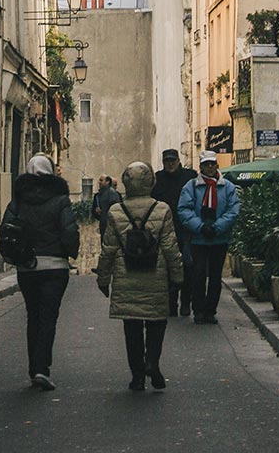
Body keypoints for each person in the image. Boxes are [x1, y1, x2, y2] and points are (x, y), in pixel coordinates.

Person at [97, 161, 183, 392]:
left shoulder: (116, 211)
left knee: (132, 326)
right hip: (156, 273)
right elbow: (170, 247)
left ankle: (137, 376)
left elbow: (109, 249)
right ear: (150, 182)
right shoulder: (162, 209)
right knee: (157, 322)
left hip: (127, 274)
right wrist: (177, 276)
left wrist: (103, 278)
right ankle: (152, 362)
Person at [1, 153, 79, 390]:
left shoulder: (18, 200)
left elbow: (6, 229)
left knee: (33, 316)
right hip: (55, 267)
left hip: (27, 268)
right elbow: (69, 232)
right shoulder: (60, 200)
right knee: (48, 317)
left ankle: (34, 367)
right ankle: (41, 368)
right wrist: (70, 251)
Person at [177, 150, 239, 325]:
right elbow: (184, 209)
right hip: (198, 239)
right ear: (201, 166)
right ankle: (198, 310)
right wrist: (200, 226)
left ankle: (210, 310)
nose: (210, 167)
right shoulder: (191, 187)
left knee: (215, 276)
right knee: (198, 274)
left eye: (213, 164)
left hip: (219, 239)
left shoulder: (227, 187)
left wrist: (217, 227)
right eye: (207, 164)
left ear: (217, 166)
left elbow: (233, 210)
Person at [152, 148, 197, 317]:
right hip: (164, 231)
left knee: (187, 266)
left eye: (172, 160)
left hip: (186, 230)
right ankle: (171, 303)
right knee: (167, 268)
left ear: (178, 160)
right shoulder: (158, 179)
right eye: (166, 161)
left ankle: (185, 302)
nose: (170, 164)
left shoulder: (190, 177)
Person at [93, 172, 121, 239]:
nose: (99, 182)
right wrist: (97, 213)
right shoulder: (99, 195)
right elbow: (94, 211)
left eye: (101, 180)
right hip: (103, 225)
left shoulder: (112, 193)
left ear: (107, 182)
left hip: (111, 226)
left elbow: (116, 209)